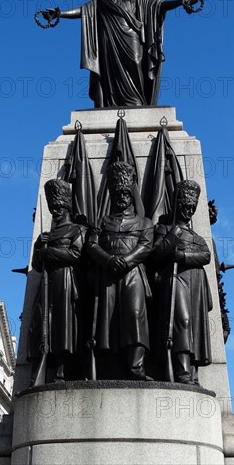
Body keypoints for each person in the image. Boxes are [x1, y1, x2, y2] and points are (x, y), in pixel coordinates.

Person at [43, 0, 200, 107]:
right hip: (109, 41)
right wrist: (59, 13)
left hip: (132, 37)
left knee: (136, 63)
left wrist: (180, 2)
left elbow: (160, 5)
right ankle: (112, 104)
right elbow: (84, 11)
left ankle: (138, 102)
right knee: (110, 74)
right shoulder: (103, 0)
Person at [87, 162, 154, 380]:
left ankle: (136, 368)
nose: (122, 198)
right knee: (109, 321)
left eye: (126, 193)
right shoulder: (101, 221)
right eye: (118, 194)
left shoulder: (144, 221)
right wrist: (108, 261)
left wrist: (126, 260)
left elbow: (146, 245)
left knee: (134, 315)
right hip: (107, 275)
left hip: (133, 273)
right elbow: (91, 245)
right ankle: (110, 368)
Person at [152, 180, 212, 384]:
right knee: (182, 322)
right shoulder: (164, 229)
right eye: (185, 207)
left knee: (194, 327)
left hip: (196, 283)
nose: (188, 211)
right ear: (177, 205)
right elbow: (157, 254)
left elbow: (206, 255)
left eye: (192, 208)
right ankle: (182, 373)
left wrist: (184, 256)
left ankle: (192, 373)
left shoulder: (198, 237)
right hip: (176, 280)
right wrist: (174, 234)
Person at [28, 179, 86, 382]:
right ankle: (37, 374)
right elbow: (36, 265)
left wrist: (48, 251)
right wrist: (37, 247)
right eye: (53, 208)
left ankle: (63, 371)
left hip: (66, 281)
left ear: (67, 207)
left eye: (60, 207)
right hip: (46, 283)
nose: (56, 211)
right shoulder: (46, 235)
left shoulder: (77, 230)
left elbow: (76, 254)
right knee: (39, 325)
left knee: (64, 325)